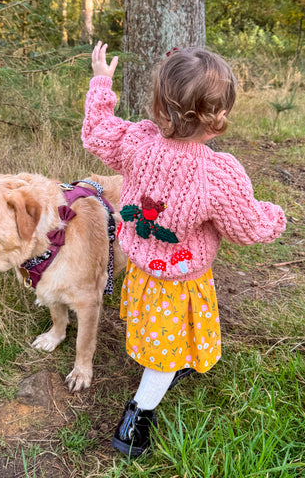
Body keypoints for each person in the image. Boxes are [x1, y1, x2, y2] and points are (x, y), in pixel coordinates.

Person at [81, 42, 286, 457]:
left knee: (158, 332)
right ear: (220, 116)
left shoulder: (137, 142)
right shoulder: (218, 173)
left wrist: (102, 80)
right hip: (180, 280)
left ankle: (166, 361)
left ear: (158, 104)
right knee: (165, 353)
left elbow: (97, 133)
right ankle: (135, 420)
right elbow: (246, 227)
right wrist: (274, 216)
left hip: (142, 268)